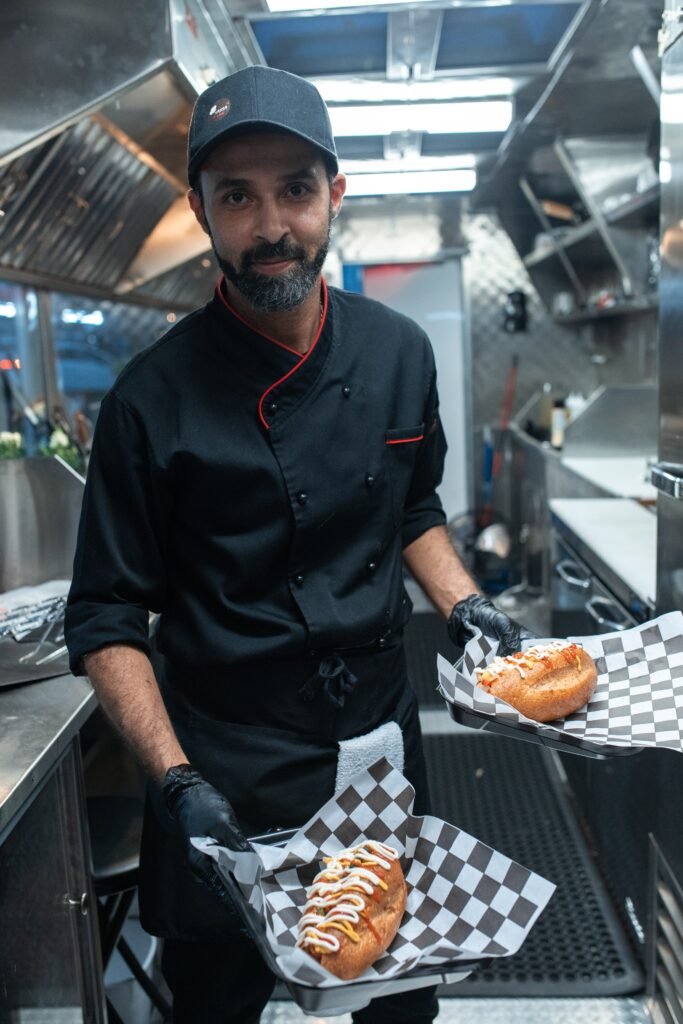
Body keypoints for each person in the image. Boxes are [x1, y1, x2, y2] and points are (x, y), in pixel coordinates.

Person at [65, 65, 532, 1024]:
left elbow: (411, 509)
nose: (272, 224)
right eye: (237, 196)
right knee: (216, 1006)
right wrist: (175, 781)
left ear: (334, 194)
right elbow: (106, 615)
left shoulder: (398, 352)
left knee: (396, 1003)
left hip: (374, 743)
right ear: (199, 210)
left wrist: (466, 605)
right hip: (224, 761)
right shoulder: (149, 400)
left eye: (294, 189)